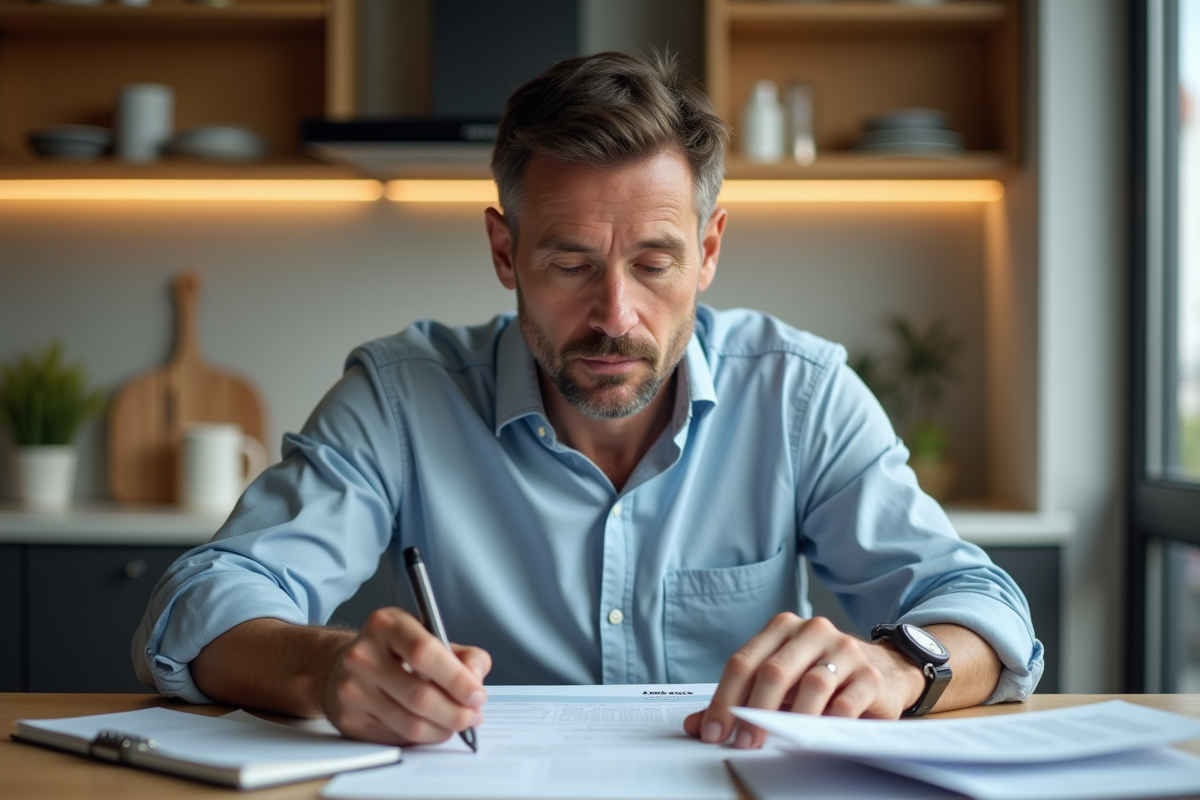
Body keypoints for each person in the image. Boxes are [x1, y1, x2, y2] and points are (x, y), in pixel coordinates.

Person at [134, 51, 1043, 750]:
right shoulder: (401, 395)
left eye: (655, 263)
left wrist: (897, 666)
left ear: (710, 249)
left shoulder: (799, 394)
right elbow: (201, 603)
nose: (616, 315)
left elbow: (983, 607)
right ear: (505, 253)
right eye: (570, 263)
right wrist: (327, 669)